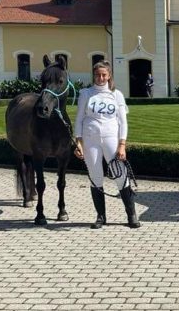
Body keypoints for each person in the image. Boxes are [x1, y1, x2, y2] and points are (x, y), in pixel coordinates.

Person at [73, 60, 140, 229]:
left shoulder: (116, 95)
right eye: (97, 75)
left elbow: (123, 122)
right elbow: (79, 119)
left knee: (121, 176)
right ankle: (101, 216)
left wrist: (122, 145)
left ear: (109, 76)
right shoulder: (86, 93)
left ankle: (131, 215)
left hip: (112, 139)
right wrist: (78, 143)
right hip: (90, 140)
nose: (101, 78)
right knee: (96, 177)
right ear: (93, 76)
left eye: (104, 75)